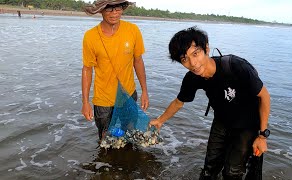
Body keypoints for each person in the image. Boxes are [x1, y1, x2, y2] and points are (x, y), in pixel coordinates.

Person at [149, 27, 271, 179]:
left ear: (206, 47)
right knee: (209, 169)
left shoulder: (236, 67)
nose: (193, 63)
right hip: (222, 121)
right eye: (184, 59)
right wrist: (160, 120)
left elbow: (264, 96)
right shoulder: (192, 78)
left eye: (195, 53)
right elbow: (179, 102)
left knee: (232, 173)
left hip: (247, 125)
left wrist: (262, 136)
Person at [81, 0, 149, 141]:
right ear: (100, 10)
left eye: (117, 8)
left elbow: (138, 61)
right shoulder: (90, 36)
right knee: (106, 139)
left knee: (129, 134)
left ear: (123, 8)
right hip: (103, 100)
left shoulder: (133, 30)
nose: (114, 13)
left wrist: (145, 91)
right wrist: (85, 102)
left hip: (128, 95)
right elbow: (87, 69)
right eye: (109, 9)